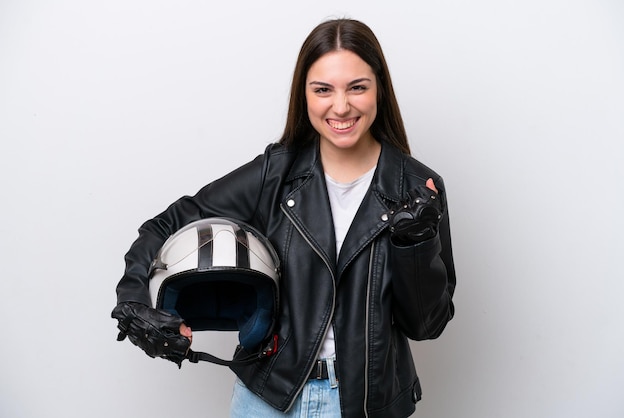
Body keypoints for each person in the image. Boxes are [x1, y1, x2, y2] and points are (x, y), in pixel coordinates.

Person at [112, 18, 456, 418]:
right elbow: (164, 227)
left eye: (357, 87)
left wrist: (414, 245)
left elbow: (426, 326)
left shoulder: (417, 188)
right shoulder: (275, 173)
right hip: (266, 399)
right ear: (304, 94)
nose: (341, 106)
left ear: (379, 88)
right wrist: (135, 301)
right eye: (323, 89)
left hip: (364, 405)